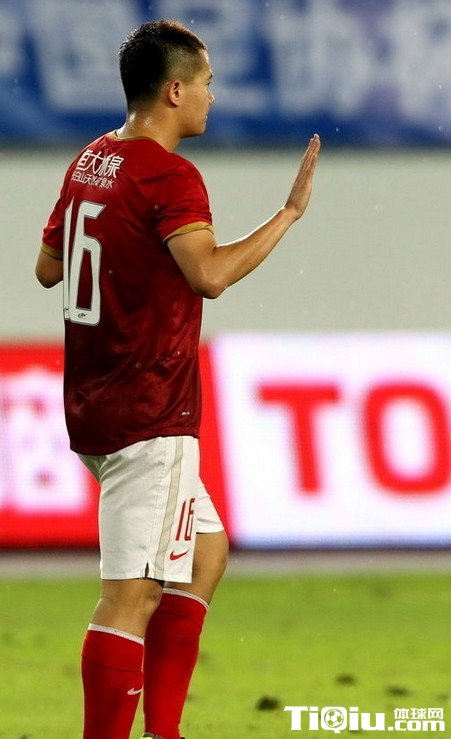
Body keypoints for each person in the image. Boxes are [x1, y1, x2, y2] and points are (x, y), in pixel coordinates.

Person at [35, 19, 320, 739]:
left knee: (205, 553)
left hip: (93, 403)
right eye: (206, 84)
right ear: (173, 90)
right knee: (130, 597)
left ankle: (165, 730)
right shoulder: (169, 174)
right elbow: (209, 275)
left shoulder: (91, 159)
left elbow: (47, 268)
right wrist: (287, 215)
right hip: (149, 411)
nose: (211, 97)